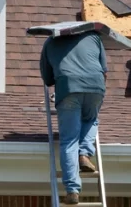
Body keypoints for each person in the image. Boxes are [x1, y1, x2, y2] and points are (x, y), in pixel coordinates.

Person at [39, 31, 108, 205]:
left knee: (69, 140)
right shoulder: (93, 37)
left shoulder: (50, 41)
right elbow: (104, 69)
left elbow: (48, 79)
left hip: (68, 86)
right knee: (91, 119)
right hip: (95, 85)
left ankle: (72, 190)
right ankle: (84, 154)